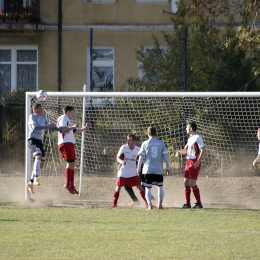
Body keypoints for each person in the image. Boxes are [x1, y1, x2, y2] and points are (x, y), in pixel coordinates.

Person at [27, 103, 64, 195]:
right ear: (36, 110)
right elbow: (35, 127)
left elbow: (51, 125)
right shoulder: (32, 117)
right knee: (38, 156)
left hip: (39, 141)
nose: (42, 109)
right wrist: (46, 127)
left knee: (41, 163)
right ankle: (36, 178)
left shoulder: (43, 117)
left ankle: (30, 183)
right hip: (33, 140)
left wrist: (60, 130)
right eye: (40, 108)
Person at [57, 105, 92, 195]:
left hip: (69, 143)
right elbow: (63, 130)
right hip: (65, 143)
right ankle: (68, 184)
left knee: (72, 163)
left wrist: (85, 128)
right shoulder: (63, 117)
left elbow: (73, 131)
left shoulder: (67, 119)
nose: (73, 114)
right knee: (70, 163)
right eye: (72, 112)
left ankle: (71, 185)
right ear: (69, 111)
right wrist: (73, 126)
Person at [137, 126, 170, 210]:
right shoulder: (161, 143)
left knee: (148, 187)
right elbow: (165, 156)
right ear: (156, 133)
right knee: (160, 186)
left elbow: (141, 157)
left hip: (148, 168)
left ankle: (150, 205)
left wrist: (138, 168)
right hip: (158, 168)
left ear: (147, 133)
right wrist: (168, 167)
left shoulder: (145, 143)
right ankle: (160, 205)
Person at [111, 134, 148, 208]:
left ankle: (147, 203)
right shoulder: (123, 147)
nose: (128, 141)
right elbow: (117, 158)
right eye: (127, 139)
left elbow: (144, 158)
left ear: (134, 141)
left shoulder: (138, 149)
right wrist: (121, 162)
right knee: (118, 187)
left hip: (133, 172)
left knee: (140, 187)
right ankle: (114, 204)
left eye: (130, 140)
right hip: (123, 172)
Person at [176, 121, 206, 209]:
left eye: (187, 127)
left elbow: (203, 149)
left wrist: (198, 161)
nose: (186, 129)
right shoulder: (190, 139)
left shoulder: (198, 137)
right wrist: (180, 152)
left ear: (191, 129)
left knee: (192, 183)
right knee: (186, 182)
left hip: (194, 161)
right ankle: (187, 204)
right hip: (188, 161)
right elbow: (186, 151)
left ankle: (199, 204)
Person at [124, 137, 156, 206]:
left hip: (140, 171)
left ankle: (151, 199)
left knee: (142, 186)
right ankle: (136, 200)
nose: (133, 143)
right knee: (126, 185)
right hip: (132, 171)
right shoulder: (128, 149)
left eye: (135, 141)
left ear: (137, 142)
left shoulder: (140, 150)